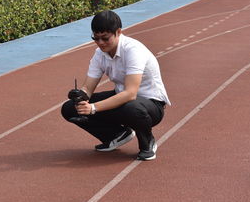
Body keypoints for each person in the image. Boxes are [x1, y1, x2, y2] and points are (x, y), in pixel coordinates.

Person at [61, 10, 170, 160]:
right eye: (96, 38)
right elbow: (88, 88)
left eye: (105, 38)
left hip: (151, 104)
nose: (100, 43)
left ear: (118, 32)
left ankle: (147, 142)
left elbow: (131, 93)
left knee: (131, 107)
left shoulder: (133, 50)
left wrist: (93, 108)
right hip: (123, 99)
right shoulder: (100, 53)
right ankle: (116, 135)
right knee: (69, 108)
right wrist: (80, 96)